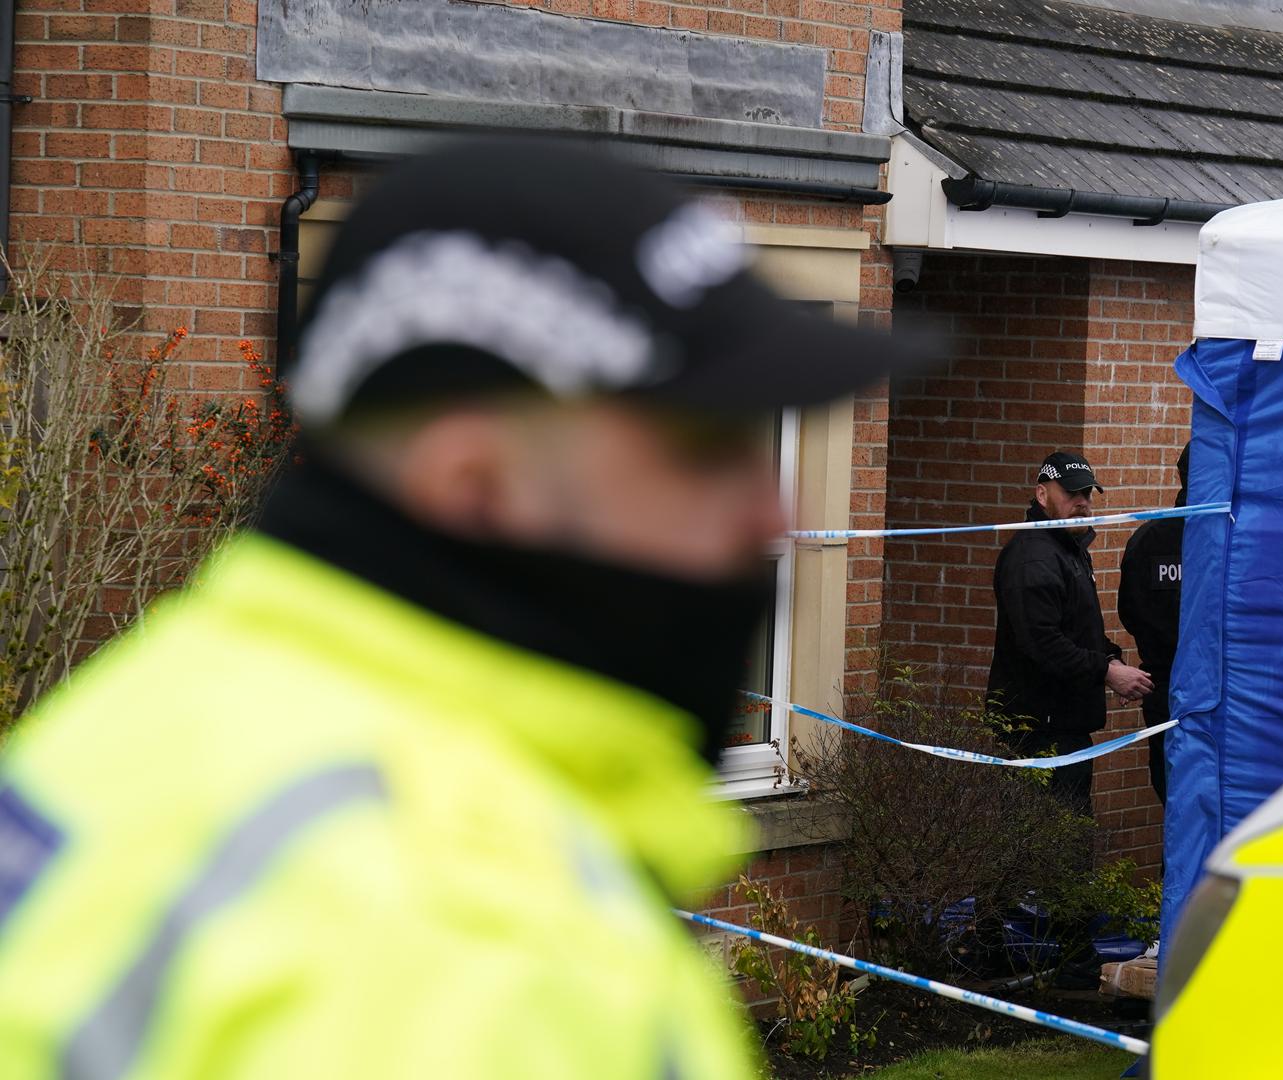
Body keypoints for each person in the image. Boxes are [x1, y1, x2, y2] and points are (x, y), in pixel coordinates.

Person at [0, 138, 933, 1079]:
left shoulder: (141, 719)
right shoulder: (482, 939)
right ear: (474, 482)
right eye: (701, 449)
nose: (775, 511)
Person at [986, 451, 1153, 816]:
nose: (1083, 503)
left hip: (1066, 730)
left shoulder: (1069, 549)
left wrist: (1111, 660)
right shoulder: (1033, 558)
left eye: (1088, 494)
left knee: (1069, 845)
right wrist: (1107, 672)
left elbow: (1078, 629)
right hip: (1038, 734)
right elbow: (1042, 643)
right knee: (1046, 850)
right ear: (1043, 495)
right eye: (1072, 494)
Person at [1118, 444, 1191, 806]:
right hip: (1223, 694)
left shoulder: (1148, 538)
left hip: (1163, 691)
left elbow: (1130, 612)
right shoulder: (1236, 536)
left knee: (1175, 806)